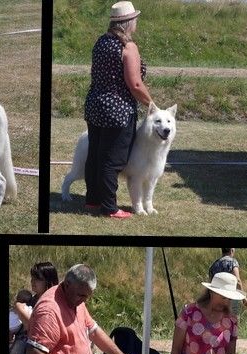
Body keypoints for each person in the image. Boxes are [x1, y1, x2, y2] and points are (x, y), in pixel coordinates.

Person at [83, 1, 152, 218]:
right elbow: (136, 84)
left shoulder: (101, 42)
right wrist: (151, 104)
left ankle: (93, 201)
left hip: (95, 105)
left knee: (95, 156)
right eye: (135, 19)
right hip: (117, 110)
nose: (137, 23)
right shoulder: (128, 47)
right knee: (112, 161)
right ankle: (110, 207)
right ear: (129, 22)